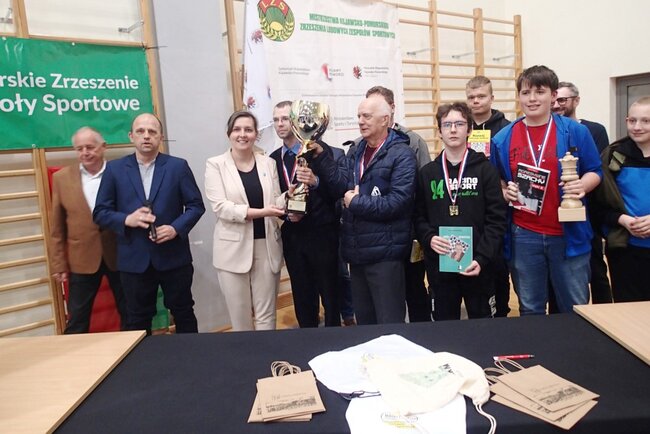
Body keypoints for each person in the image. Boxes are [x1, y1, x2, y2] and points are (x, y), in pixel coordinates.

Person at [490, 65, 602, 315]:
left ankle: (573, 343)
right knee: (530, 308)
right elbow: (496, 180)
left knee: (575, 308)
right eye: (525, 92)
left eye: (539, 92)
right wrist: (504, 192)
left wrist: (582, 185)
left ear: (553, 96)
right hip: (523, 234)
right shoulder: (503, 138)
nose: (532, 99)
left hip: (568, 232)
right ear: (519, 96)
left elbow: (596, 171)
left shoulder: (575, 131)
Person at [93, 113, 205, 334]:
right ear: (131, 136)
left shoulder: (177, 167)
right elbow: (100, 213)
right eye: (140, 131)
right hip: (134, 260)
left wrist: (175, 228)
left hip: (174, 257)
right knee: (136, 319)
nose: (146, 136)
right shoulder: (114, 169)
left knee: (183, 312)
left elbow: (196, 206)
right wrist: (127, 219)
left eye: (152, 132)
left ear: (160, 137)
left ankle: (191, 354)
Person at [310, 95, 417, 325]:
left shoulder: (402, 155)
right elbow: (342, 187)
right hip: (356, 253)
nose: (360, 121)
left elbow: (398, 202)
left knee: (389, 324)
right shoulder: (357, 150)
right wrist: (321, 157)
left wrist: (356, 202)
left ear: (385, 119)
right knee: (365, 324)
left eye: (367, 116)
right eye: (359, 116)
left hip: (385, 255)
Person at [415, 102, 506, 320]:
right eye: (447, 125)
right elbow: (418, 217)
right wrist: (429, 238)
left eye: (459, 124)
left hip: (478, 265)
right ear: (440, 131)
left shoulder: (486, 170)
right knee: (445, 327)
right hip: (441, 266)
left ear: (469, 129)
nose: (453, 130)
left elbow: (497, 220)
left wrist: (482, 258)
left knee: (483, 326)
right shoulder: (427, 173)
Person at [205, 111, 286, 331]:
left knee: (267, 316)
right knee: (240, 318)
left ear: (256, 134)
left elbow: (275, 201)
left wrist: (291, 195)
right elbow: (221, 208)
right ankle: (246, 355)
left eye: (248, 130)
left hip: (267, 247)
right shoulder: (215, 165)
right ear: (229, 133)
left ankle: (266, 353)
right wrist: (261, 212)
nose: (243, 134)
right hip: (232, 251)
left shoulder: (268, 163)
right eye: (237, 129)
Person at [268, 101, 341, 328]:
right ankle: (307, 336)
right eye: (276, 120)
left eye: (285, 119)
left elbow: (336, 190)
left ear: (296, 122)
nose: (280, 124)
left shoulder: (319, 150)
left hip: (322, 232)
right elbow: (273, 197)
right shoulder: (272, 159)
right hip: (293, 234)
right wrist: (287, 215)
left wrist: (316, 181)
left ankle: (335, 337)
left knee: (330, 293)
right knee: (301, 293)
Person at [50, 127, 127, 333]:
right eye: (79, 148)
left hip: (119, 254)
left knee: (130, 312)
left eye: (90, 147)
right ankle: (75, 353)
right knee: (77, 318)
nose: (85, 152)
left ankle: (138, 349)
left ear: (103, 147)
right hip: (81, 258)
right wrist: (58, 263)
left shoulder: (120, 173)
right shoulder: (62, 178)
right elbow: (57, 227)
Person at [365, 85, 432, 322]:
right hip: (378, 236)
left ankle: (422, 333)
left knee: (414, 288)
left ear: (391, 109)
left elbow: (424, 189)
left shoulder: (413, 141)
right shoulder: (361, 145)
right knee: (386, 298)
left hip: (409, 231)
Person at [552, 81, 612, 304]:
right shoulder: (550, 132)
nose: (557, 105)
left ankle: (603, 313)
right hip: (560, 212)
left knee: (596, 268)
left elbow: (597, 168)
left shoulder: (592, 130)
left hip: (589, 209)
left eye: (563, 100)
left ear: (576, 101)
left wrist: (583, 185)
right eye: (555, 100)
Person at [592, 96, 650, 302]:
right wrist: (622, 220)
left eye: (646, 121)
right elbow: (597, 206)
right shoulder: (613, 156)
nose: (637, 127)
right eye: (632, 121)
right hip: (625, 251)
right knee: (627, 308)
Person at [466, 75, 511, 317]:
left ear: (492, 98)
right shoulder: (462, 127)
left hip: (499, 206)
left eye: (481, 96)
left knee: (498, 264)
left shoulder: (506, 128)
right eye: (471, 97)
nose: (476, 101)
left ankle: (501, 310)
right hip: (470, 206)